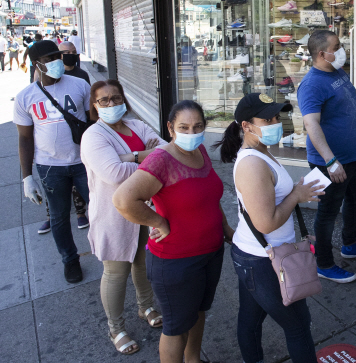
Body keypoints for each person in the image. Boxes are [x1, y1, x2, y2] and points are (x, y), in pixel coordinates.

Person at [113, 100, 234, 363]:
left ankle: (193, 360)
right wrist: (158, 222)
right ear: (170, 128)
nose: (191, 133)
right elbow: (123, 200)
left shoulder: (200, 150)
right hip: (176, 262)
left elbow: (209, 198)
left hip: (210, 252)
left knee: (199, 312)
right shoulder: (160, 160)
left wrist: (225, 227)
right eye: (184, 127)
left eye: (198, 126)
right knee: (176, 328)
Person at [215, 93, 323, 363]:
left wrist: (297, 193)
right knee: (298, 325)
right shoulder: (252, 163)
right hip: (262, 259)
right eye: (267, 119)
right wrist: (296, 196)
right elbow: (266, 222)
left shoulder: (262, 151)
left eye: (276, 117)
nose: (276, 122)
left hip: (259, 256)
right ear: (246, 126)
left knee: (250, 320)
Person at [81, 80, 165, 355]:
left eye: (116, 98)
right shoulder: (94, 136)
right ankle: (116, 328)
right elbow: (114, 174)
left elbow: (164, 152)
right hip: (112, 214)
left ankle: (146, 306)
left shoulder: (137, 125)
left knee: (142, 262)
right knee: (116, 271)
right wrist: (143, 155)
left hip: (144, 208)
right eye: (103, 100)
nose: (111, 104)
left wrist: (128, 156)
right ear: (94, 106)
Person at [297, 30, 356, 284]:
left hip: (353, 157)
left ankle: (351, 243)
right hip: (329, 163)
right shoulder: (311, 84)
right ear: (322, 54)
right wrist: (331, 161)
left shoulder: (337, 72)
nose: (342, 49)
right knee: (327, 212)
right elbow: (311, 124)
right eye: (338, 46)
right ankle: (323, 263)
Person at [13, 40, 92, 283]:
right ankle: (70, 260)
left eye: (58, 56)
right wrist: (27, 177)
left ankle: (113, 252)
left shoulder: (80, 85)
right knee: (59, 216)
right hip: (50, 167)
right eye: (50, 59)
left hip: (84, 162)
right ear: (37, 64)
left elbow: (94, 121)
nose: (57, 61)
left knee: (101, 206)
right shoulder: (25, 97)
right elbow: (25, 139)